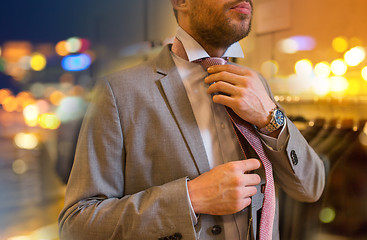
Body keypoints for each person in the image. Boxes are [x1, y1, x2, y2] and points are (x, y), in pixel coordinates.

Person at [58, 0, 325, 239]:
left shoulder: (257, 86)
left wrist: (270, 117)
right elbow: (77, 225)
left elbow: (311, 188)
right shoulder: (119, 93)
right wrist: (189, 199)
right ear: (181, 2)